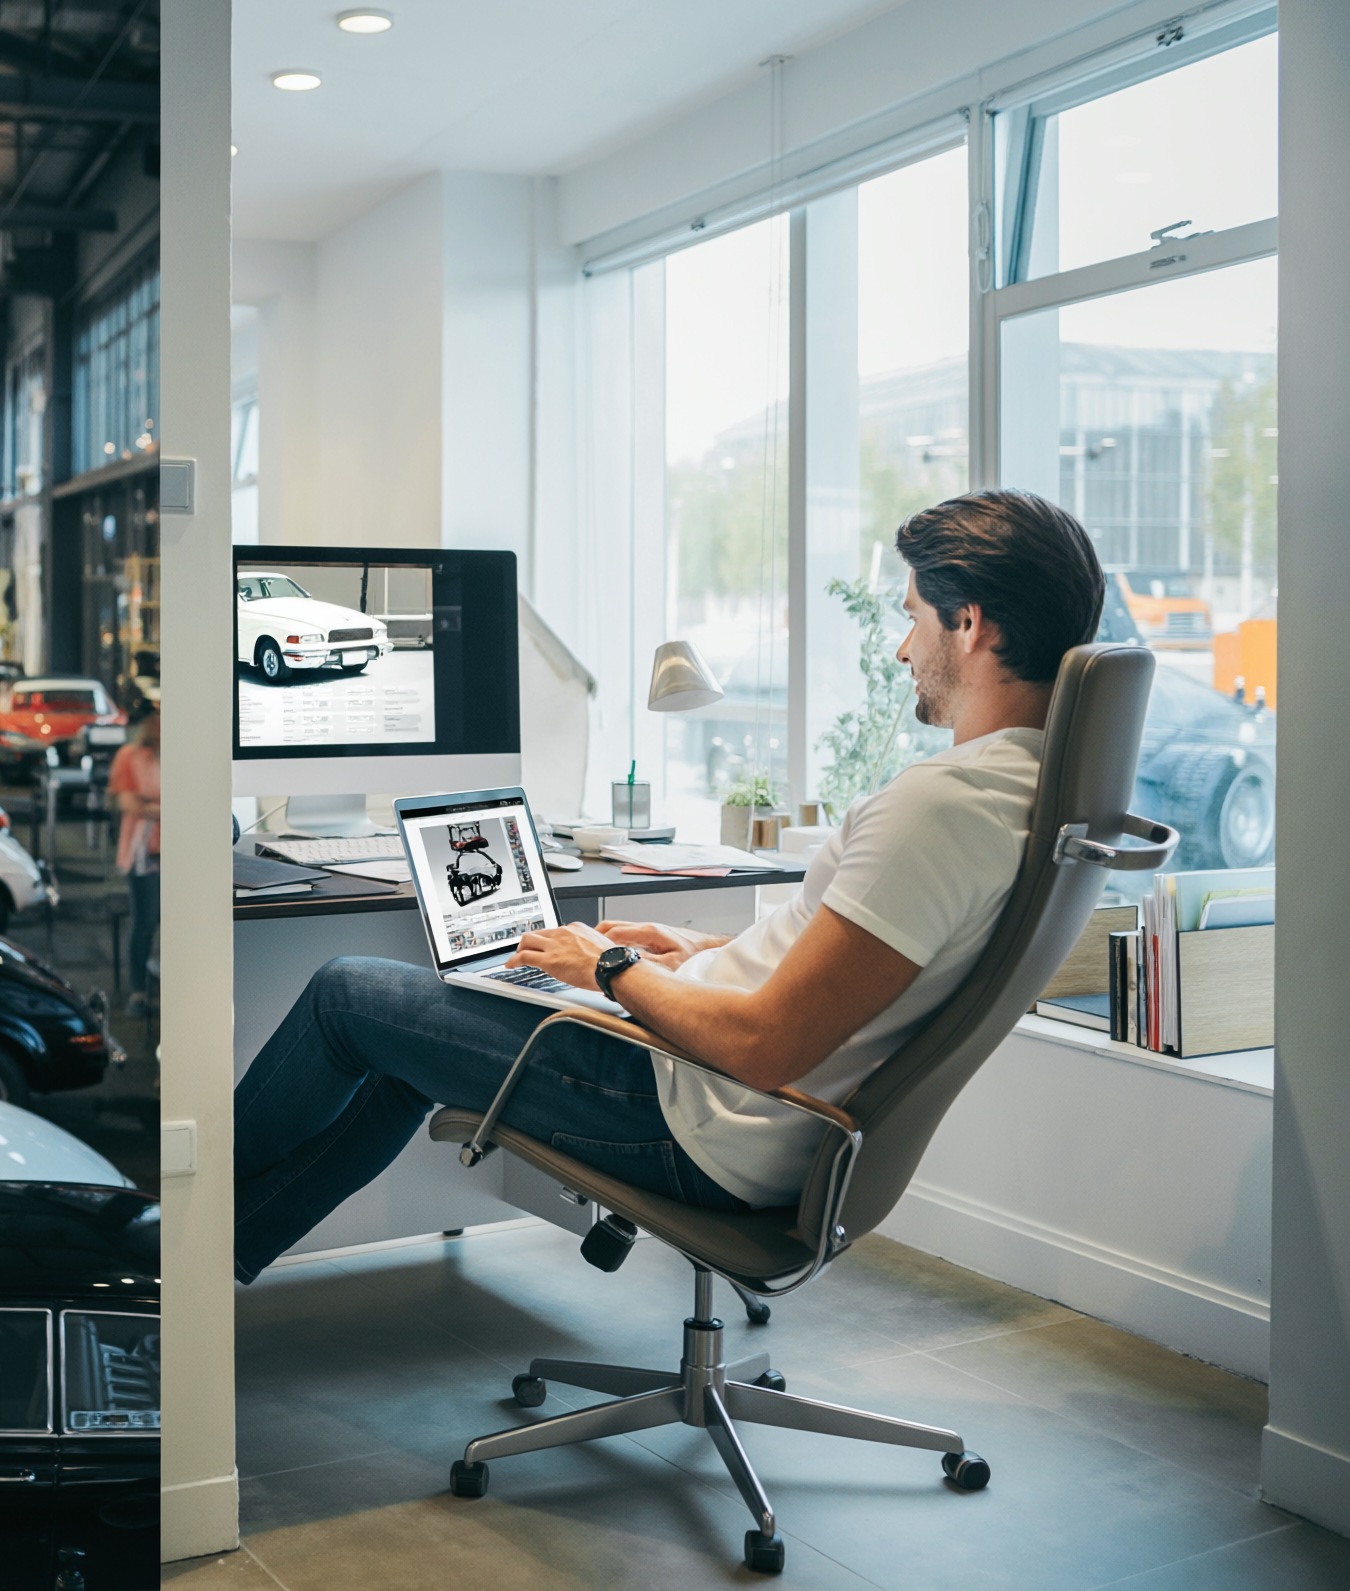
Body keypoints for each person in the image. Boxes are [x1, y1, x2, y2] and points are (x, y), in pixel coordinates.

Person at [231, 490, 1106, 1284]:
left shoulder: (940, 808)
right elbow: (860, 972)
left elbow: (768, 1046)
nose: (906, 646)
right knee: (405, 1040)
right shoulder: (1024, 796)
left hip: (698, 1113)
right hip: (729, 1105)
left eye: (914, 618)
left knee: (346, 995)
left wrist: (606, 965)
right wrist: (696, 949)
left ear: (974, 625)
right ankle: (205, 1269)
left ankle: (175, 1232)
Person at [108, 708, 162, 1002]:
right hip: (143, 851)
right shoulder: (129, 756)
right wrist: (168, 809)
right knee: (145, 921)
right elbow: (130, 802)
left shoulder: (180, 754)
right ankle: (138, 991)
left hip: (177, 849)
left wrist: (151, 805)